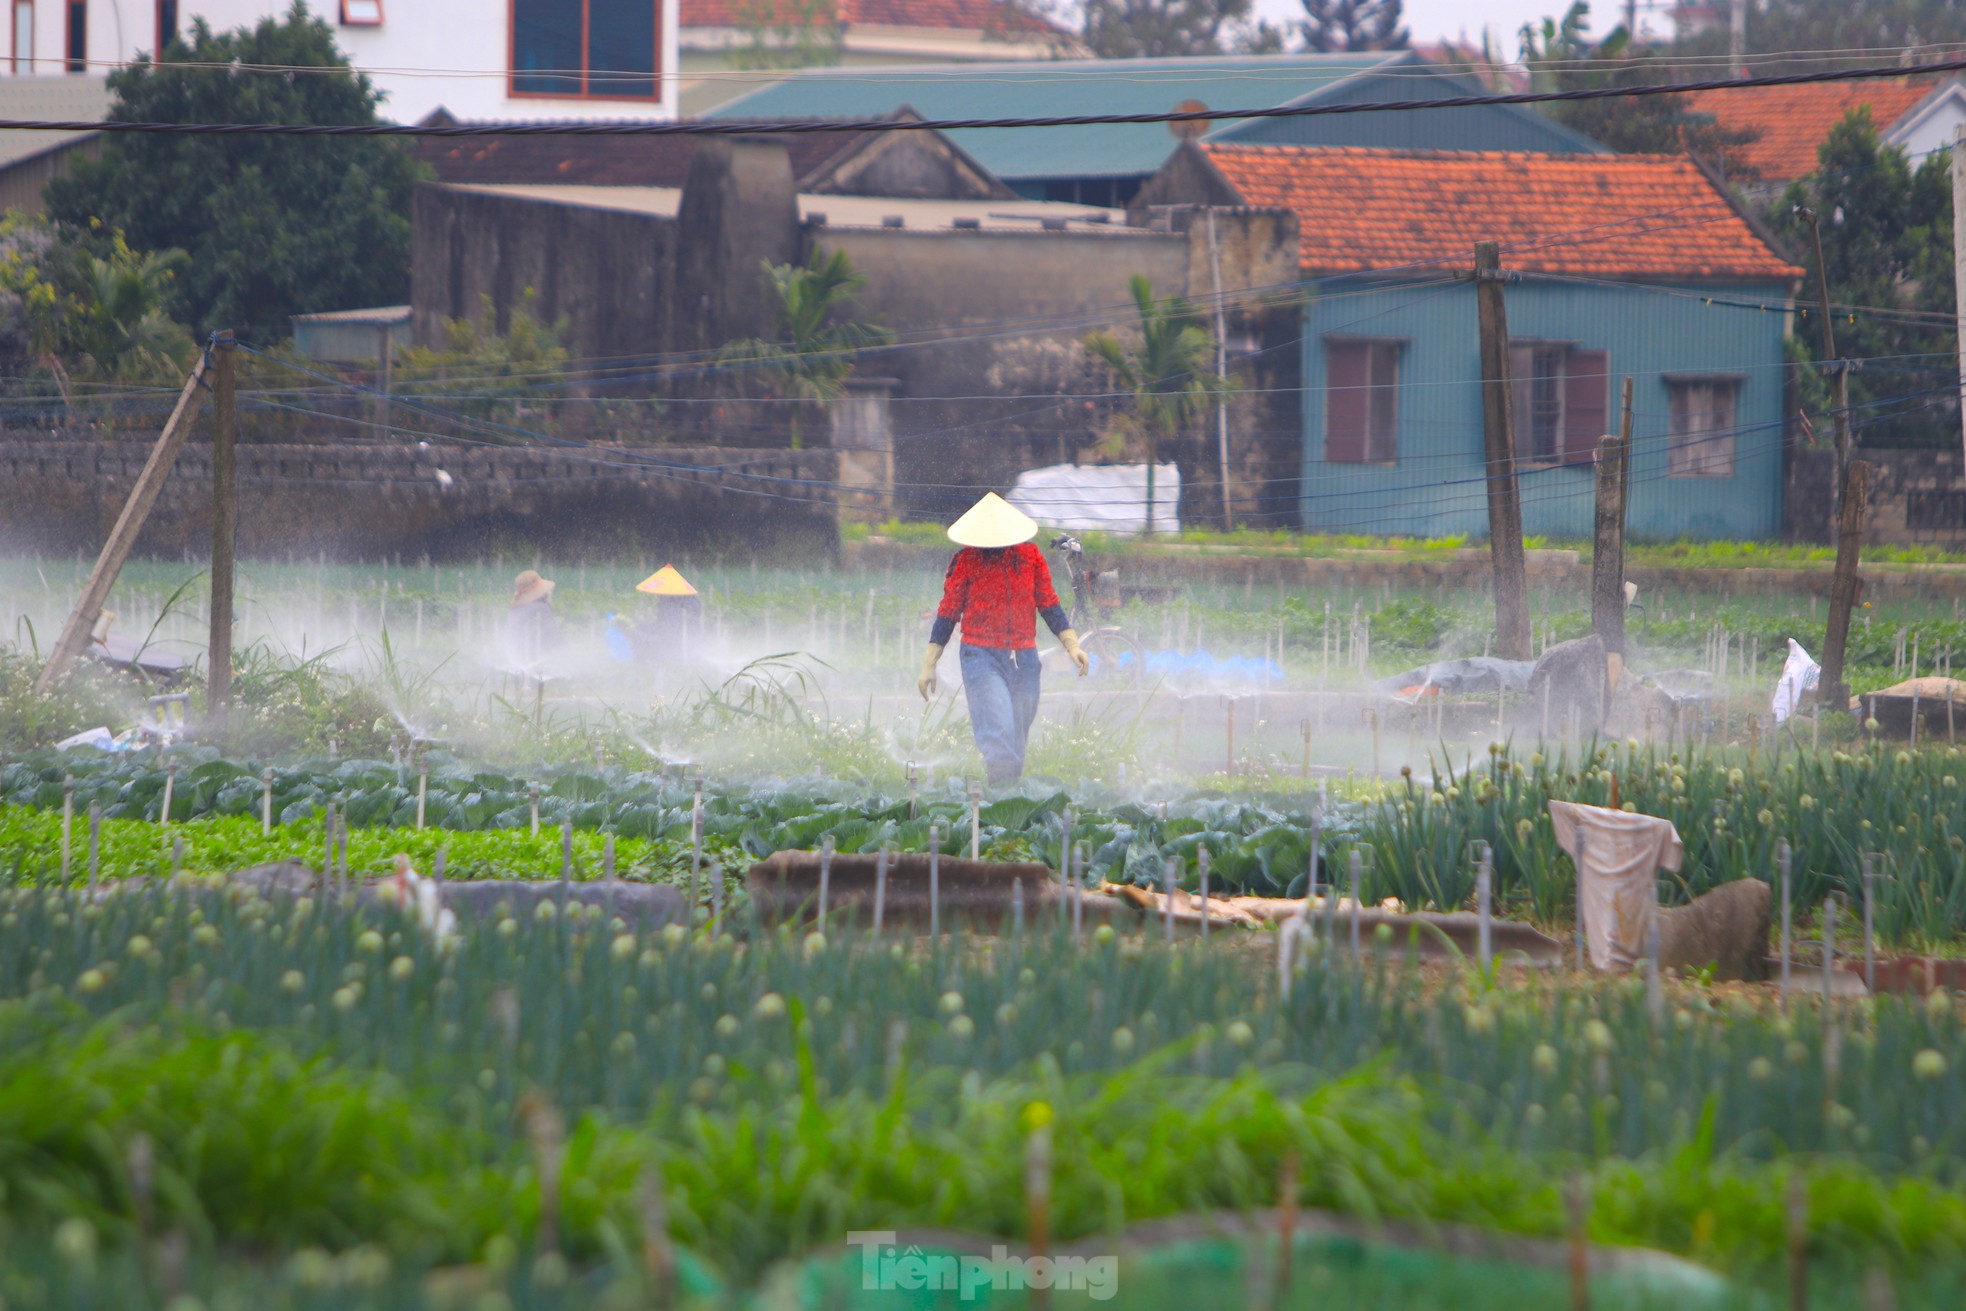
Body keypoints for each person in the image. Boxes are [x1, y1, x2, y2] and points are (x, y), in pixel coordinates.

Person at [918, 493, 1089, 785]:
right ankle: (999, 802)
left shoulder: (1030, 557)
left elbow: (1048, 603)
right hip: (980, 656)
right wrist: (929, 664)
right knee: (998, 734)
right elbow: (948, 613)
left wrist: (1072, 645)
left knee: (1017, 736)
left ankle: (1005, 806)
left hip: (1024, 658)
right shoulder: (966, 560)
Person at [505, 569, 561, 671]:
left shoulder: (515, 610)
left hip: (521, 657)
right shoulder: (541, 608)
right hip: (537, 661)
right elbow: (555, 639)